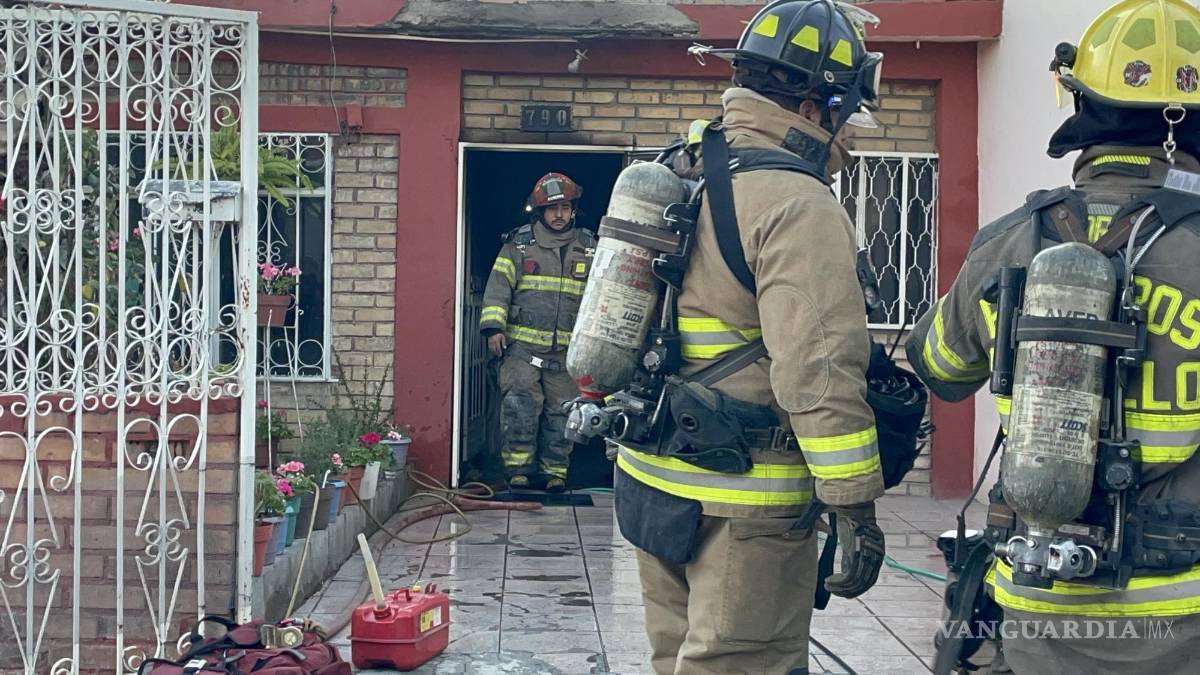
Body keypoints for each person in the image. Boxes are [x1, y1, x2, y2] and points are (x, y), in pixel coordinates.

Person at [908, 1, 1200, 672]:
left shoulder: (1015, 235)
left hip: (1040, 602)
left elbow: (940, 366)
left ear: (1084, 106)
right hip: (1182, 617)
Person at [613, 2, 887, 673]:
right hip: (742, 503)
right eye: (845, 114)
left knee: (677, 658)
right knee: (743, 663)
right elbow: (818, 371)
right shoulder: (797, 202)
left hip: (651, 479)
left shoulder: (684, 167)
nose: (846, 133)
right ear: (817, 106)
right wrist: (853, 504)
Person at [480, 173, 595, 492]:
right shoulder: (518, 245)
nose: (559, 214)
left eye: (565, 208)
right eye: (552, 208)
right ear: (540, 211)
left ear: (573, 210)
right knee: (520, 408)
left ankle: (555, 473)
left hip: (567, 354)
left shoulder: (589, 247)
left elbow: (601, 296)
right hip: (522, 351)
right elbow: (498, 288)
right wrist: (494, 329)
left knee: (563, 413)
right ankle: (518, 472)